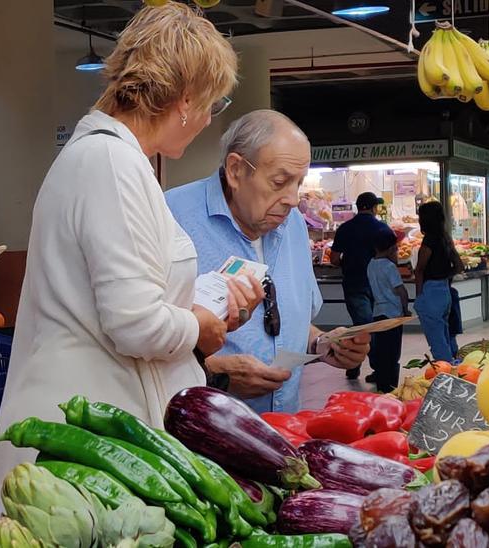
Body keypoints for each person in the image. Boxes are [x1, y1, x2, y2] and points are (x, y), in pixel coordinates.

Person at [0, 2, 252, 519]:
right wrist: (199, 324)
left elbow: (123, 294)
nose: (206, 119)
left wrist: (195, 298)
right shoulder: (110, 163)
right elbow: (133, 322)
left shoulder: (111, 158)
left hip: (94, 439)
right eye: (212, 104)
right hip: (89, 446)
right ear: (184, 98)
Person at [167, 110, 371, 413]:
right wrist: (215, 372)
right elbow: (138, 337)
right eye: (280, 181)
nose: (292, 198)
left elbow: (289, 323)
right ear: (236, 170)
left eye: (298, 183)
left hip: (283, 432)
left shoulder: (294, 226)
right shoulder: (170, 217)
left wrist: (323, 344)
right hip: (198, 438)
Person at [330, 191, 394, 380]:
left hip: (354, 282)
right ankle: (377, 368)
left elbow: (334, 259)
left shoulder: (345, 228)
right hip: (379, 285)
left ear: (358, 207)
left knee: (361, 325)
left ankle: (354, 364)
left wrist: (349, 264)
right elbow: (393, 257)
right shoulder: (382, 228)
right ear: (375, 208)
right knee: (375, 326)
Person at [414, 200, 463, 363]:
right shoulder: (445, 238)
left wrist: (419, 296)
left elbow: (419, 269)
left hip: (431, 292)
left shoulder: (429, 241)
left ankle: (446, 370)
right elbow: (459, 266)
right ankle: (453, 363)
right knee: (445, 332)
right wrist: (444, 275)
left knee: (436, 339)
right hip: (445, 291)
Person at [367, 230, 411, 393]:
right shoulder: (389, 266)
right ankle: (391, 386)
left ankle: (381, 382)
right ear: (391, 248)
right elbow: (400, 290)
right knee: (392, 352)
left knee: (380, 349)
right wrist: (405, 309)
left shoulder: (371, 265)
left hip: (378, 312)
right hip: (393, 314)